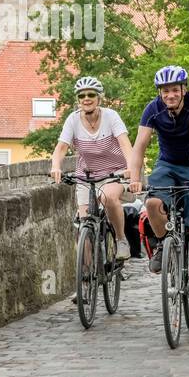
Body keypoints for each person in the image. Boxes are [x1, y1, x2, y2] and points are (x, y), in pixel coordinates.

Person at [127, 65, 189, 315]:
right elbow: (139, 146)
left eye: (174, 90)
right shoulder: (153, 110)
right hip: (166, 166)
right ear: (160, 93)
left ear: (183, 89)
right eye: (165, 91)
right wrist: (135, 178)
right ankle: (162, 243)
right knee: (152, 204)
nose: (170, 95)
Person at [51, 77, 136, 262]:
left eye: (91, 95)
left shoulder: (111, 116)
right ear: (78, 99)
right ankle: (88, 278)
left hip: (114, 173)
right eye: (82, 95)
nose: (86, 98)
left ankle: (121, 239)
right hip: (86, 177)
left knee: (107, 197)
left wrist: (131, 167)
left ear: (99, 98)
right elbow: (61, 147)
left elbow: (125, 144)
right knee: (83, 227)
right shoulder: (73, 120)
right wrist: (56, 166)